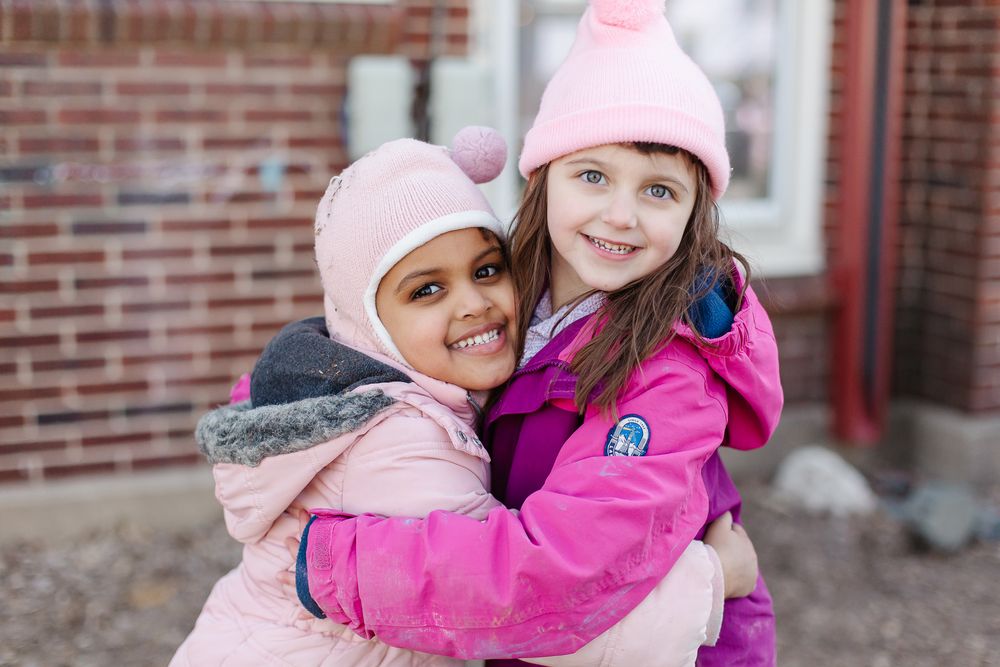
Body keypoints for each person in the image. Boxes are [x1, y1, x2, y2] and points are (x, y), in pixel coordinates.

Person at [280, 1, 784, 665]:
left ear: (695, 215)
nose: (621, 214)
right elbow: (384, 349)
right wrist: (284, 417)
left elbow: (561, 570)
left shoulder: (670, 376)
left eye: (660, 190)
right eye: (594, 175)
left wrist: (339, 566)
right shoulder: (505, 294)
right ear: (543, 177)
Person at [170, 127, 759, 667]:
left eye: (485, 270)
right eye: (427, 289)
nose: (474, 303)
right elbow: (527, 612)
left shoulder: (355, 385)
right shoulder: (402, 445)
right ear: (369, 319)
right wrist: (713, 578)